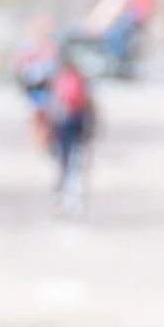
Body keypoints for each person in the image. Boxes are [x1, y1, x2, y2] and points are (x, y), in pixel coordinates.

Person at [44, 49, 97, 212]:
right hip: (75, 126)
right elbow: (91, 108)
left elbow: (51, 108)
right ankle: (70, 198)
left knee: (66, 163)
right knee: (74, 163)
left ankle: (66, 197)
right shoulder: (80, 81)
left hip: (65, 126)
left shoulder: (60, 81)